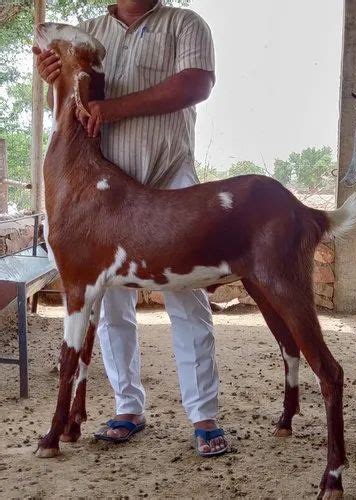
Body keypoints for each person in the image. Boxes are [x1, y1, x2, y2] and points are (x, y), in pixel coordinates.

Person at [35, 0, 228, 457]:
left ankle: (203, 415)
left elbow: (195, 84)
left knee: (186, 295)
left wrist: (116, 108)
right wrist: (53, 78)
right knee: (110, 303)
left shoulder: (184, 23)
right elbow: (66, 105)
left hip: (168, 175)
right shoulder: (88, 32)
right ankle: (127, 407)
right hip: (105, 184)